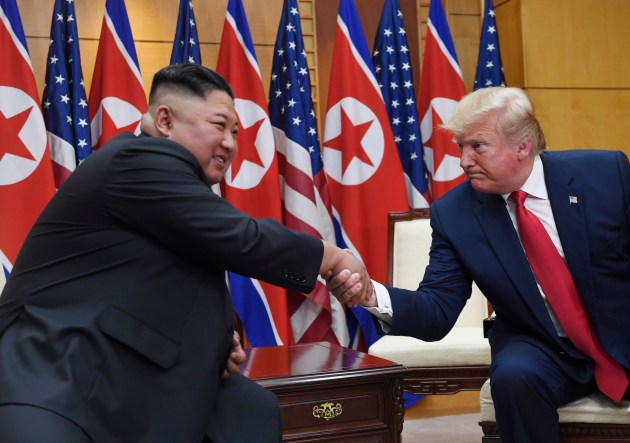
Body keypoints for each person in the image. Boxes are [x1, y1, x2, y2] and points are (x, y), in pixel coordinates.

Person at [330, 86, 630, 442]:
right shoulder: (455, 213)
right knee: (515, 379)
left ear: (522, 146)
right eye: (460, 147)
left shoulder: (603, 174)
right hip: (542, 343)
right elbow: (438, 309)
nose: (463, 160)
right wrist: (372, 295)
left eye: (477, 146)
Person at [0, 63, 370, 443]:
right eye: (218, 125)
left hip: (131, 385)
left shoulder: (172, 192)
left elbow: (154, 281)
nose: (230, 142)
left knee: (246, 408)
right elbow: (241, 238)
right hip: (56, 381)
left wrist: (215, 342)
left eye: (235, 132)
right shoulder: (138, 160)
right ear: (164, 120)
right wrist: (331, 257)